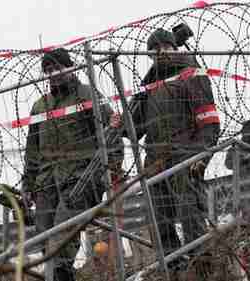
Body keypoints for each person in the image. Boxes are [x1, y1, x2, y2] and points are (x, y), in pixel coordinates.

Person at [22, 48, 123, 281]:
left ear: (70, 67)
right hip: (46, 183)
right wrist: (28, 184)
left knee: (62, 234)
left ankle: (60, 275)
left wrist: (112, 168)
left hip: (81, 178)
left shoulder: (87, 95)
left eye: (58, 68)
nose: (53, 74)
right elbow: (32, 151)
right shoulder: (40, 106)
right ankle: (61, 274)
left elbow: (111, 131)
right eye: (48, 70)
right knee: (44, 237)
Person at [131, 28, 221, 275]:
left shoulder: (189, 73)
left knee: (190, 214)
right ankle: (176, 271)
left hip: (185, 155)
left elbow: (209, 121)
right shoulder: (150, 84)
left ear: (175, 48)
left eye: (165, 48)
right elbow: (133, 129)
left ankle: (203, 269)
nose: (160, 54)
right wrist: (121, 120)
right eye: (155, 51)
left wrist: (201, 155)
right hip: (155, 161)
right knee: (159, 221)